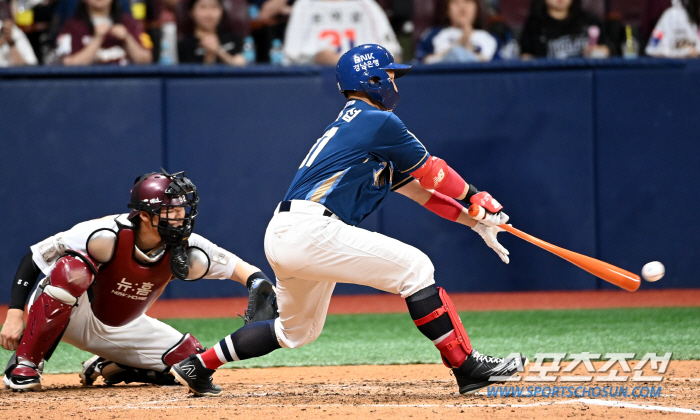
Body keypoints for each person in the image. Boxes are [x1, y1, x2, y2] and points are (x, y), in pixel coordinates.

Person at [171, 44, 526, 397]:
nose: (394, 84)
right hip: (312, 230)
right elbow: (434, 172)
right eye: (388, 76)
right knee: (417, 269)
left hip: (287, 232)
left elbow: (422, 192)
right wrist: (475, 195)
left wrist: (475, 222)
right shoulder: (377, 120)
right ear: (370, 79)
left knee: (296, 331)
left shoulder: (362, 130)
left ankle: (199, 364)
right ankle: (468, 367)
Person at [1, 170, 278, 391]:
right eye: (171, 212)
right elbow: (34, 257)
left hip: (122, 323)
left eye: (183, 210)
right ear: (144, 215)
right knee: (73, 270)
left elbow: (241, 268)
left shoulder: (187, 244)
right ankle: (27, 363)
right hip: (74, 311)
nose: (181, 218)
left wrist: (260, 287)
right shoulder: (105, 231)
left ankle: (111, 363)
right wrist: (15, 315)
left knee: (188, 361)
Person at [282, 0, 402, 66]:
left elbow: (393, 56)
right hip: (316, 87)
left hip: (365, 89)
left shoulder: (367, 5)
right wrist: (325, 58)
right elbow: (292, 56)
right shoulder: (304, 5)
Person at [55, 0, 153, 65]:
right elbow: (67, 63)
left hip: (125, 84)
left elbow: (146, 60)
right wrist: (97, 38)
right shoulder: (72, 26)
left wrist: (127, 38)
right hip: (87, 85)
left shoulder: (129, 23)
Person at [519, 0, 611, 59]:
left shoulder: (590, 21)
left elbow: (610, 49)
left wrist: (601, 51)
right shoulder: (534, 26)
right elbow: (525, 56)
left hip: (585, 79)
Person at [419, 0, 498, 63]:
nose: (462, 7)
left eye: (467, 1)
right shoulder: (433, 35)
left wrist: (468, 46)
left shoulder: (490, 38)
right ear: (447, 9)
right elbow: (423, 62)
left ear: (477, 7)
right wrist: (457, 45)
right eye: (455, 2)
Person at [177, 0, 245, 65]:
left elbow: (243, 66)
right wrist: (209, 54)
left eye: (214, 7)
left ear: (221, 11)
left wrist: (218, 50)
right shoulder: (185, 46)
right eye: (203, 7)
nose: (209, 13)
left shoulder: (235, 39)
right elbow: (191, 74)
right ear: (192, 12)